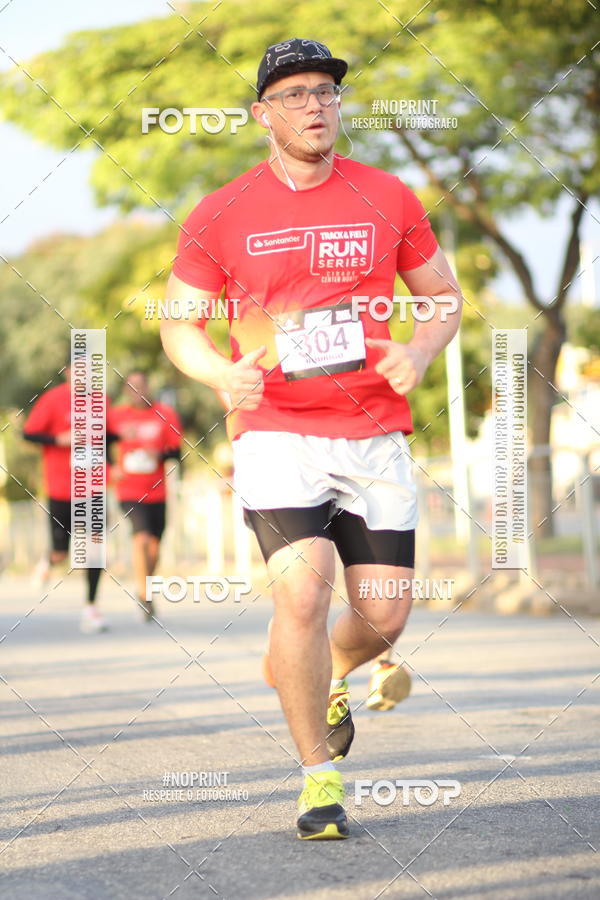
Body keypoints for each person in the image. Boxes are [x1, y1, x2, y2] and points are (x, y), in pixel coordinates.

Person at [160, 37, 462, 840]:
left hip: (372, 429)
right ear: (262, 113)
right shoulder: (221, 210)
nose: (315, 105)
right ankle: (318, 779)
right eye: (293, 94)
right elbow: (179, 323)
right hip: (275, 430)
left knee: (387, 616)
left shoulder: (388, 197)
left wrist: (420, 349)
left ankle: (327, 669)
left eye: (325, 91)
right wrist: (219, 377)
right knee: (302, 588)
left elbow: (441, 298)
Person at [23, 364, 110, 634]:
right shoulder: (52, 399)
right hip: (61, 488)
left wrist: (112, 465)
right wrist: (58, 439)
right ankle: (49, 560)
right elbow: (28, 432)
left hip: (93, 486)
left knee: (96, 547)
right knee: (62, 552)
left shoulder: (101, 401)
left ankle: (91, 607)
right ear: (67, 372)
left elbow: (108, 437)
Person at [108, 371, 182, 620]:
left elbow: (176, 451)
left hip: (158, 490)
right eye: (131, 387)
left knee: (154, 545)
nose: (137, 391)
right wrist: (110, 468)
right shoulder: (116, 416)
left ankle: (146, 585)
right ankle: (145, 594)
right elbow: (98, 441)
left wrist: (158, 455)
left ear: (148, 387)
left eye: (141, 385)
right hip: (129, 489)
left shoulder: (165, 413)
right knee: (140, 538)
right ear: (125, 391)